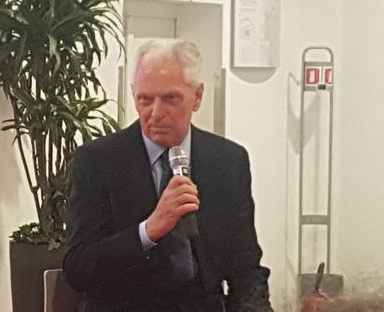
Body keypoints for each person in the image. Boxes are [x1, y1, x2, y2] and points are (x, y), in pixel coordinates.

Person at [63, 39, 272, 311]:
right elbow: (79, 269)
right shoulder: (98, 161)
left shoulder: (228, 161)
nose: (156, 113)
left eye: (171, 99)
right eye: (145, 99)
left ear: (197, 96)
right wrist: (148, 231)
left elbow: (245, 267)